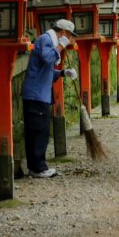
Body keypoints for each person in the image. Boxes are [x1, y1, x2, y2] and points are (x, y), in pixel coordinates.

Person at [22, 19, 78, 178]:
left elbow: (47, 70)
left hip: (39, 94)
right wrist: (61, 46)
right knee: (40, 131)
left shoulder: (48, 41)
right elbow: (47, 58)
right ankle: (39, 168)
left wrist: (62, 73)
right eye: (68, 36)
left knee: (37, 131)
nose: (69, 39)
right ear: (63, 33)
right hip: (36, 95)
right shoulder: (45, 40)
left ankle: (35, 167)